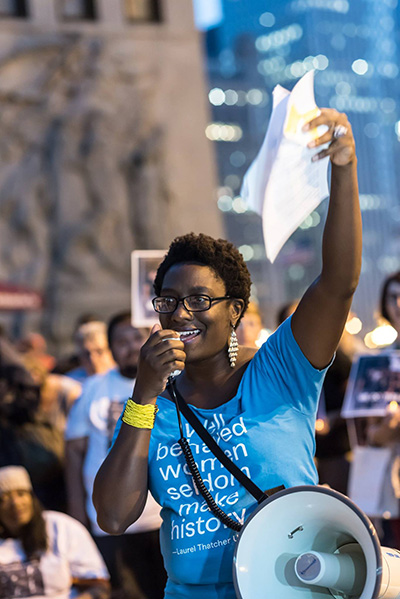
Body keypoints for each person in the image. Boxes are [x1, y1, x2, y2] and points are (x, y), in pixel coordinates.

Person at [93, 109, 361, 599]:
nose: (181, 314)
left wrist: (343, 170)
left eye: (199, 301)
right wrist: (143, 395)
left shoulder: (280, 370)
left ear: (235, 310)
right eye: (168, 302)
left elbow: (338, 284)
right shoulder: (150, 408)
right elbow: (112, 516)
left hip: (291, 587)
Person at [65, 312, 166, 599]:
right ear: (111, 348)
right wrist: (77, 512)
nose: (131, 346)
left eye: (137, 338)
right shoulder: (93, 389)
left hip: (163, 517)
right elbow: (73, 453)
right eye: (121, 341)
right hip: (111, 522)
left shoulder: (170, 382)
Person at [0, 465, 110, 599]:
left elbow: (98, 586)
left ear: (32, 497)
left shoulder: (60, 527)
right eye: (4, 499)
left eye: (21, 494)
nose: (16, 503)